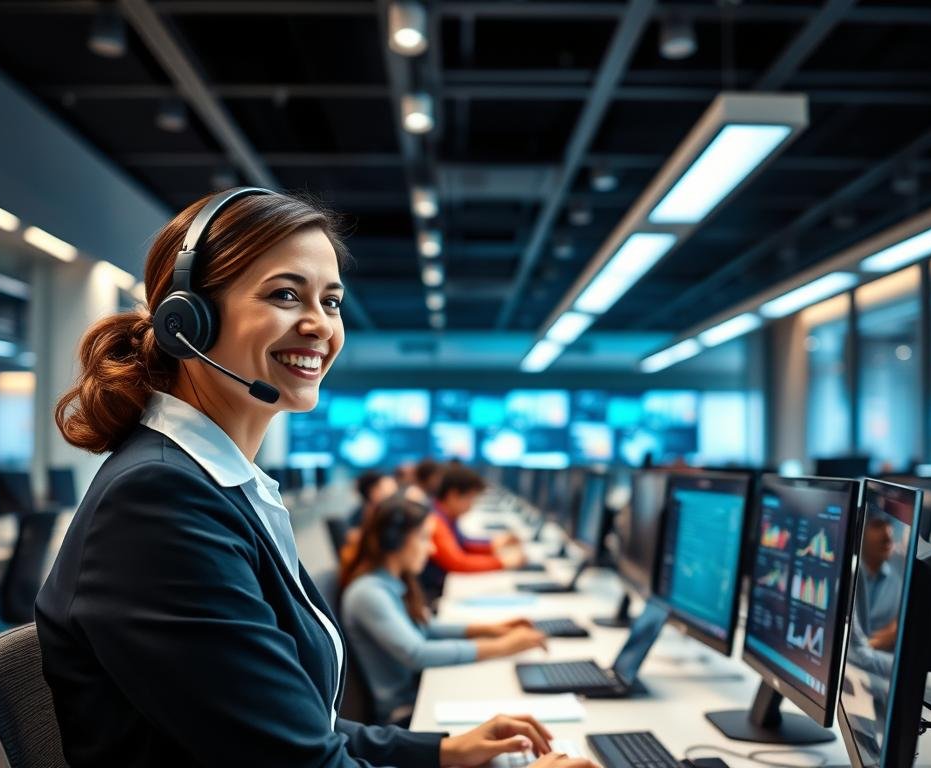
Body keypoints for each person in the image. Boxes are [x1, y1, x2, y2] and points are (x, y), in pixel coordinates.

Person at [34, 188, 592, 768]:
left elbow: (293, 725)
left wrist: (445, 751)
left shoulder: (218, 487)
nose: (319, 325)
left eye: (331, 301)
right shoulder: (158, 502)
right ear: (187, 321)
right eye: (284, 295)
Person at [339, 494, 547, 724]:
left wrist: (492, 629)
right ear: (394, 541)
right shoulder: (369, 593)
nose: (432, 549)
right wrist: (502, 646)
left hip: (419, 691)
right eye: (424, 538)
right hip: (405, 713)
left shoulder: (392, 581)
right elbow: (417, 653)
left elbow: (426, 627)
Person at [421, 465, 525, 599]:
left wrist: (495, 543)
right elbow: (456, 562)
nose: (472, 505)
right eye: (470, 498)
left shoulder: (445, 515)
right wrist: (503, 562)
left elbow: (463, 543)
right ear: (453, 495)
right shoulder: (435, 521)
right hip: (430, 596)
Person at [858, 508, 903, 651]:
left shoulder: (899, 585)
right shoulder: (847, 575)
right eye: (877, 525)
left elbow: (893, 632)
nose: (888, 534)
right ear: (860, 531)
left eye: (889, 524)